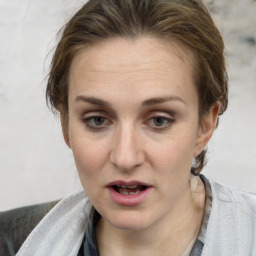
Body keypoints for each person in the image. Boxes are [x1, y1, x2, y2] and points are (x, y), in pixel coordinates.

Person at [1, 0, 255, 255]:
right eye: (97, 120)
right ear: (66, 123)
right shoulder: (11, 243)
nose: (125, 158)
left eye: (159, 120)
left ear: (205, 126)